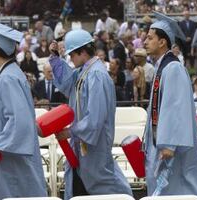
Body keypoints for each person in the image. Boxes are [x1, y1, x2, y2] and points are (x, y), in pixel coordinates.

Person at [48, 29, 132, 199]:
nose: (70, 58)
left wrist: (70, 132)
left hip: (94, 144)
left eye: (72, 54)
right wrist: (56, 59)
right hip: (83, 143)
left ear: (83, 52)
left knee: (104, 189)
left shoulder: (97, 75)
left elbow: (95, 119)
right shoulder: (84, 71)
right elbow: (66, 83)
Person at [0, 22, 47, 199]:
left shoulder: (8, 77)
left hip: (11, 155)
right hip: (10, 151)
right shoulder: (10, 73)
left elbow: (19, 119)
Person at [142, 12, 197, 197]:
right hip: (161, 143)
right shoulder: (162, 67)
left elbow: (176, 107)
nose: (145, 41)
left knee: (176, 189)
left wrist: (169, 143)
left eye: (150, 38)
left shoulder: (173, 68)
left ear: (162, 42)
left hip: (171, 146)